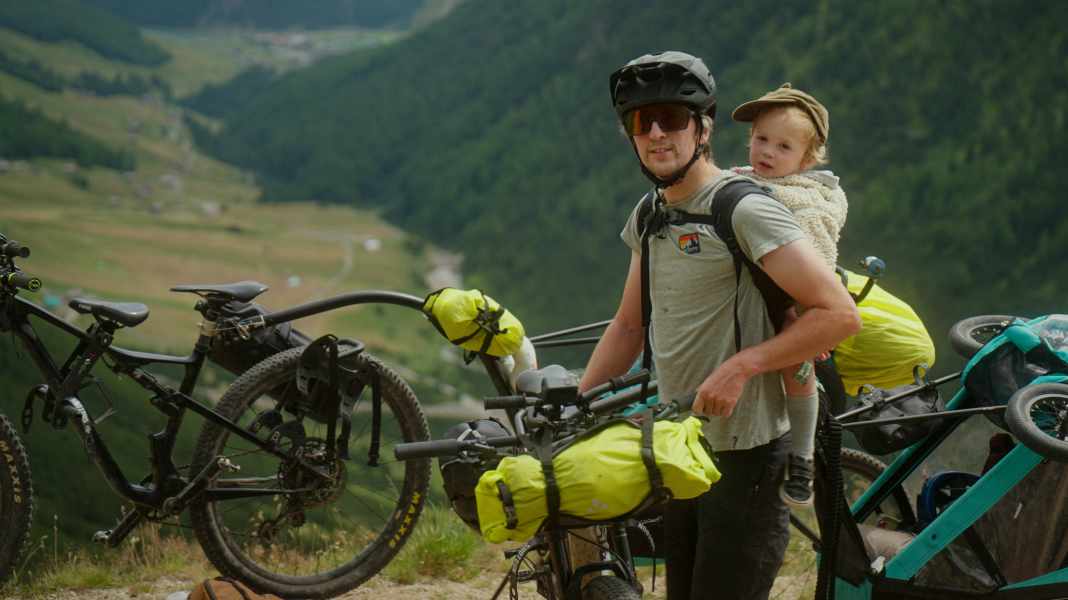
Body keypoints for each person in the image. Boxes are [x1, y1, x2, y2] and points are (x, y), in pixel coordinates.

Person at [579, 51, 860, 600]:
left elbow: (839, 315)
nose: (656, 134)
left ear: (703, 128)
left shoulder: (745, 210)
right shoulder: (651, 213)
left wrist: (743, 366)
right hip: (681, 448)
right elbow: (629, 326)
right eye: (641, 121)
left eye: (671, 118)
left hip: (749, 456)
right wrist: (578, 407)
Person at [730, 83, 849, 507]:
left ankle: (802, 458)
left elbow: (819, 252)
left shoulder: (809, 200)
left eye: (784, 146)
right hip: (752, 296)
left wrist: (811, 313)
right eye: (761, 139)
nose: (767, 152)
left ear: (807, 159)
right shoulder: (738, 183)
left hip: (798, 302)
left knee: (795, 366)